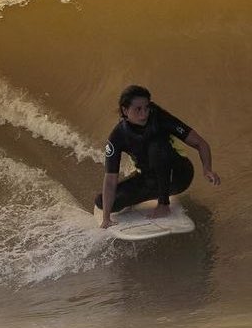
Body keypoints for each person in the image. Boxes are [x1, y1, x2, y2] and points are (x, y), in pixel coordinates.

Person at [95, 84, 221, 229]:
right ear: (125, 110)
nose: (144, 114)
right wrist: (106, 219)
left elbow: (200, 143)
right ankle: (144, 197)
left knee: (157, 146)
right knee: (102, 202)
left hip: (179, 175)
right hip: (150, 180)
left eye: (147, 108)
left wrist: (207, 169)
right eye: (138, 109)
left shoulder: (160, 118)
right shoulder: (118, 136)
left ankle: (163, 204)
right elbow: (110, 180)